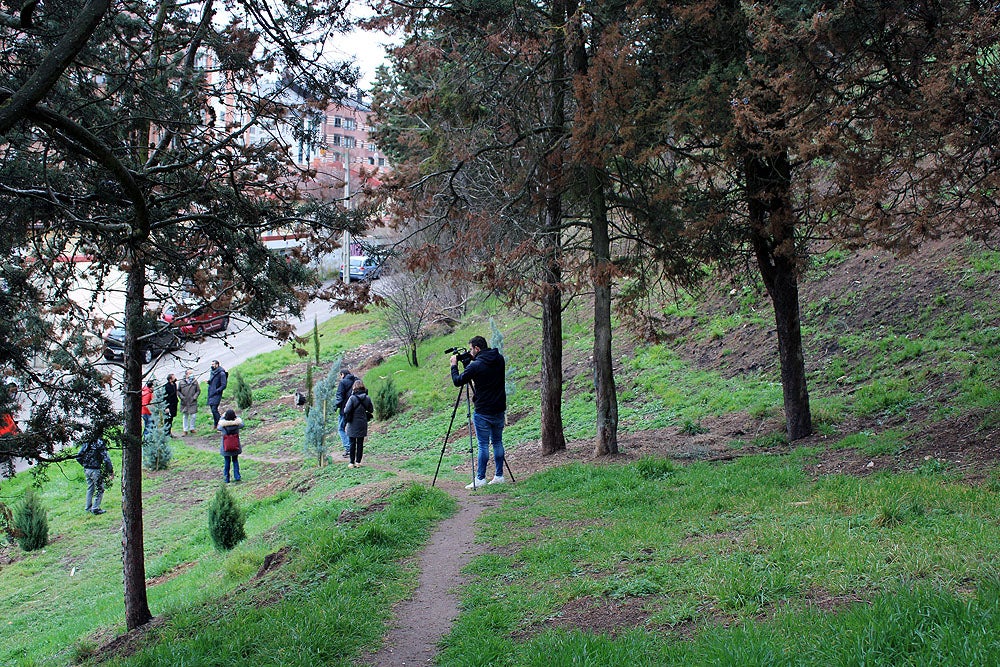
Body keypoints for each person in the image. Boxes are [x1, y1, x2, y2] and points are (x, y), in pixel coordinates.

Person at [451, 335, 507, 489]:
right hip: (499, 408)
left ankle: (480, 478)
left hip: (483, 410)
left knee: (483, 444)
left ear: (477, 348)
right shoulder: (499, 359)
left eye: (471, 349)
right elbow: (484, 371)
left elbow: (458, 381)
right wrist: (471, 361)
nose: (470, 351)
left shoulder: (476, 366)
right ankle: (499, 475)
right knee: (497, 442)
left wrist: (454, 365)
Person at [342, 379, 374, 469]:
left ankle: (351, 462)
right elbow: (371, 410)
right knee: (360, 443)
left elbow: (346, 410)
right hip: (362, 422)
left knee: (352, 443)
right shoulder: (367, 398)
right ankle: (358, 462)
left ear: (354, 388)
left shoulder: (352, 398)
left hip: (352, 422)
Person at [77, 438, 114, 514]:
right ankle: (95, 508)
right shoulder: (100, 443)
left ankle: (88, 507)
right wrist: (110, 471)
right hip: (95, 469)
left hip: (87, 469)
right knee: (100, 488)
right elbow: (106, 459)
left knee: (90, 487)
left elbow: (79, 457)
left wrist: (85, 464)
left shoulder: (87, 441)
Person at [335, 367, 358, 458]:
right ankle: (353, 448)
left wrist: (334, 407)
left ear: (342, 375)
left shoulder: (343, 382)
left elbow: (339, 397)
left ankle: (348, 448)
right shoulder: (357, 381)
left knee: (341, 428)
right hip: (356, 410)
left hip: (344, 410)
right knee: (351, 429)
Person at [217, 408, 243, 483]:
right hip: (235, 446)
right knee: (235, 460)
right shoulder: (237, 424)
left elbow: (219, 426)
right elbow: (242, 424)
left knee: (227, 462)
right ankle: (237, 476)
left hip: (226, 447)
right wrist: (236, 417)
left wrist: (222, 417)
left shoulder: (223, 426)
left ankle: (226, 478)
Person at [178, 369, 201, 435]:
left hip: (192, 401)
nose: (191, 375)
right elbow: (178, 391)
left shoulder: (195, 382)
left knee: (193, 415)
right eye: (190, 373)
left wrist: (195, 397)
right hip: (184, 402)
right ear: (186, 374)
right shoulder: (181, 382)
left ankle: (192, 428)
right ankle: (185, 430)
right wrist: (182, 397)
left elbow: (198, 391)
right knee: (185, 416)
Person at [207, 360, 228, 429]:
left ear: (217, 365)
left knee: (214, 409)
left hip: (216, 394)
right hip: (210, 392)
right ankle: (216, 425)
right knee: (212, 410)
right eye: (211, 364)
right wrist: (209, 382)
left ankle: (221, 424)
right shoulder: (212, 372)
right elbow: (212, 381)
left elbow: (224, 385)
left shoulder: (221, 373)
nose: (212, 366)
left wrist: (217, 390)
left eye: (213, 364)